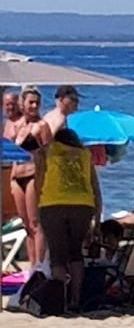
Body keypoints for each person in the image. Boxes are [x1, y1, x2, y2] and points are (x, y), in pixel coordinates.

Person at [30, 127, 101, 312]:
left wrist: (37, 207)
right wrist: (98, 218)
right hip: (83, 205)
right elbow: (95, 187)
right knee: (75, 253)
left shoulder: (44, 152)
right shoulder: (85, 154)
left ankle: (60, 300)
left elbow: (39, 181)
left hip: (53, 204)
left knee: (57, 256)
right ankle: (76, 299)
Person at [4, 88, 43, 267]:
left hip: (32, 174)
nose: (34, 106)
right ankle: (32, 266)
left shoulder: (40, 125)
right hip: (16, 176)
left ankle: (39, 266)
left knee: (35, 224)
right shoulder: (13, 124)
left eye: (37, 103)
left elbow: (47, 153)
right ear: (23, 104)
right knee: (26, 225)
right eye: (30, 102)